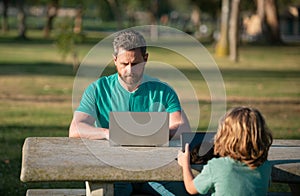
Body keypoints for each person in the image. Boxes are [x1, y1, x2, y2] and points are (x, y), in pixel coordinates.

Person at [69, 29, 191, 195]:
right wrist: (107, 133)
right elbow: (75, 128)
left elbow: (183, 127)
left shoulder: (163, 90)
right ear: (114, 60)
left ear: (146, 58)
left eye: (135, 64)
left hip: (155, 169)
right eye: (124, 64)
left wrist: (158, 133)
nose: (129, 70)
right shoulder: (98, 89)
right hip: (113, 169)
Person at [177, 106, 273, 196]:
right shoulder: (265, 166)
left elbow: (190, 188)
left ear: (225, 136)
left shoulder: (217, 166)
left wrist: (185, 165)